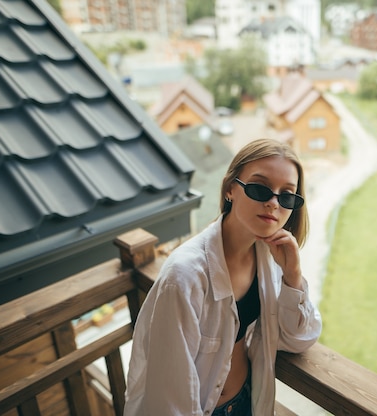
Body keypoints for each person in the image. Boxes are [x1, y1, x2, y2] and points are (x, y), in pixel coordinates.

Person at [124, 138, 322, 416]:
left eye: (287, 195)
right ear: (231, 189)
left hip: (246, 401)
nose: (273, 204)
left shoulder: (269, 258)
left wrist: (293, 276)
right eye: (259, 188)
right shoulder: (185, 277)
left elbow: (299, 338)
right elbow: (169, 399)